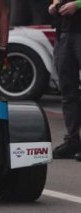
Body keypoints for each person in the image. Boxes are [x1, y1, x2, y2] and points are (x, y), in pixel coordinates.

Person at [49, 0, 81, 159]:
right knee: (67, 90)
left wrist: (78, 4)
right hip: (64, 32)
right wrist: (54, 6)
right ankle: (73, 139)